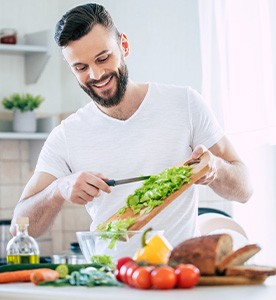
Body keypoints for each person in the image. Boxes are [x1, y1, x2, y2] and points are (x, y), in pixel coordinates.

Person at [10, 3, 253, 248]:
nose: (95, 75)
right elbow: (20, 226)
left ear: (123, 45)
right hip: (108, 279)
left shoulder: (185, 104)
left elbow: (244, 190)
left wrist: (216, 169)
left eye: (103, 58)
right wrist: (58, 189)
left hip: (179, 277)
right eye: (81, 68)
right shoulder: (66, 135)